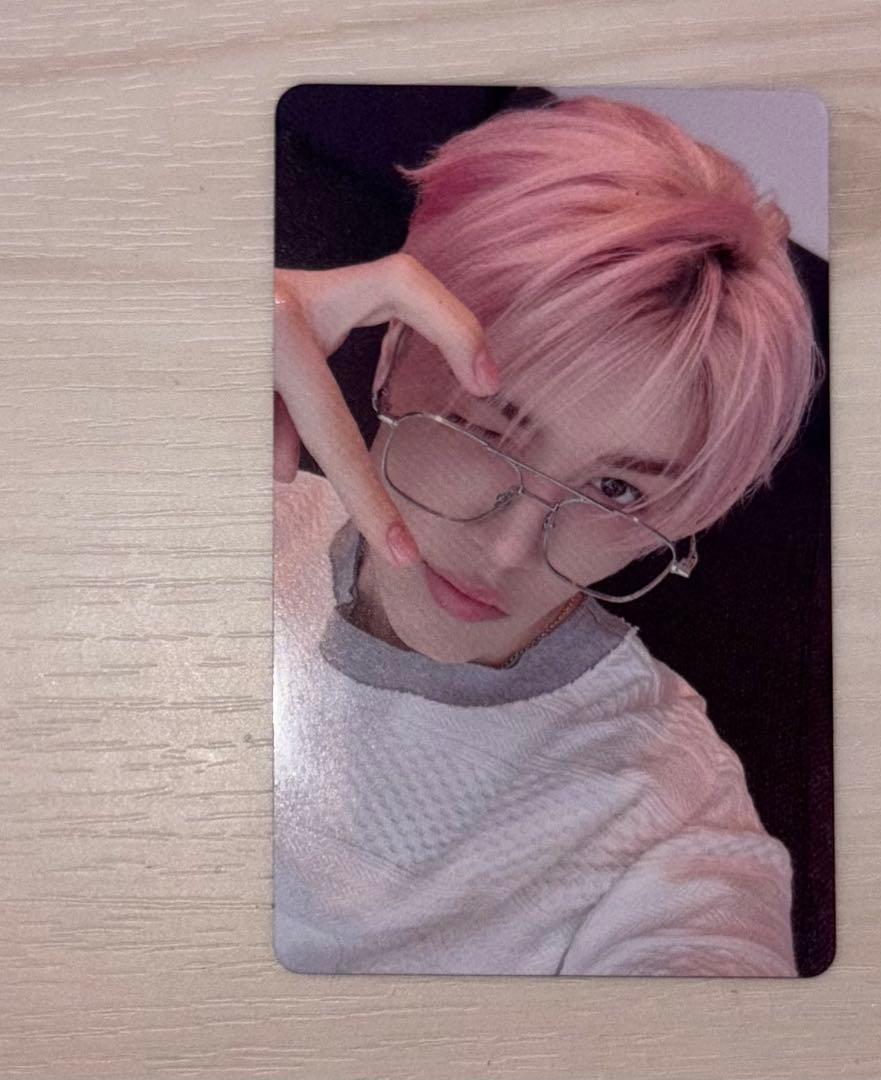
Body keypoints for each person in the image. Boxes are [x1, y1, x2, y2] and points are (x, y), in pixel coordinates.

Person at [272, 95, 824, 976]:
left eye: (615, 489)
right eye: (487, 427)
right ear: (393, 352)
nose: (511, 548)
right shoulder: (233, 512)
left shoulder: (664, 812)